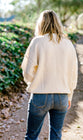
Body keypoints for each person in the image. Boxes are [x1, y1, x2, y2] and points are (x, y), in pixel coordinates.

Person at [21, 10, 78, 140]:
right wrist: (69, 96)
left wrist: (33, 82)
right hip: (62, 96)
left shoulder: (37, 42)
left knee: (31, 136)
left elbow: (28, 72)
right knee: (56, 135)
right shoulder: (68, 44)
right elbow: (73, 74)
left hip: (40, 96)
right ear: (58, 24)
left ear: (41, 24)